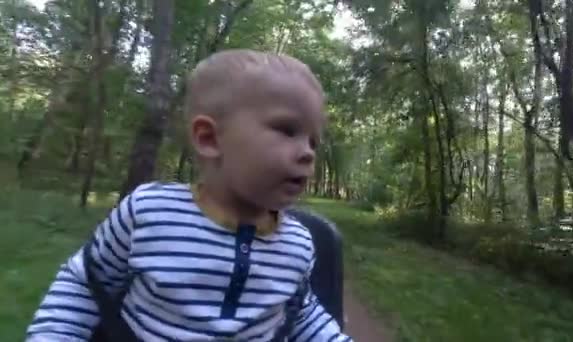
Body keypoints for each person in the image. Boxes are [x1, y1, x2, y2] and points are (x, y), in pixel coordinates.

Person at [26, 49, 352, 341]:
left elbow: (301, 313)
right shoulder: (149, 212)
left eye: (313, 142)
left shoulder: (299, 243)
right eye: (287, 130)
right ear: (209, 138)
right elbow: (86, 282)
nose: (308, 153)